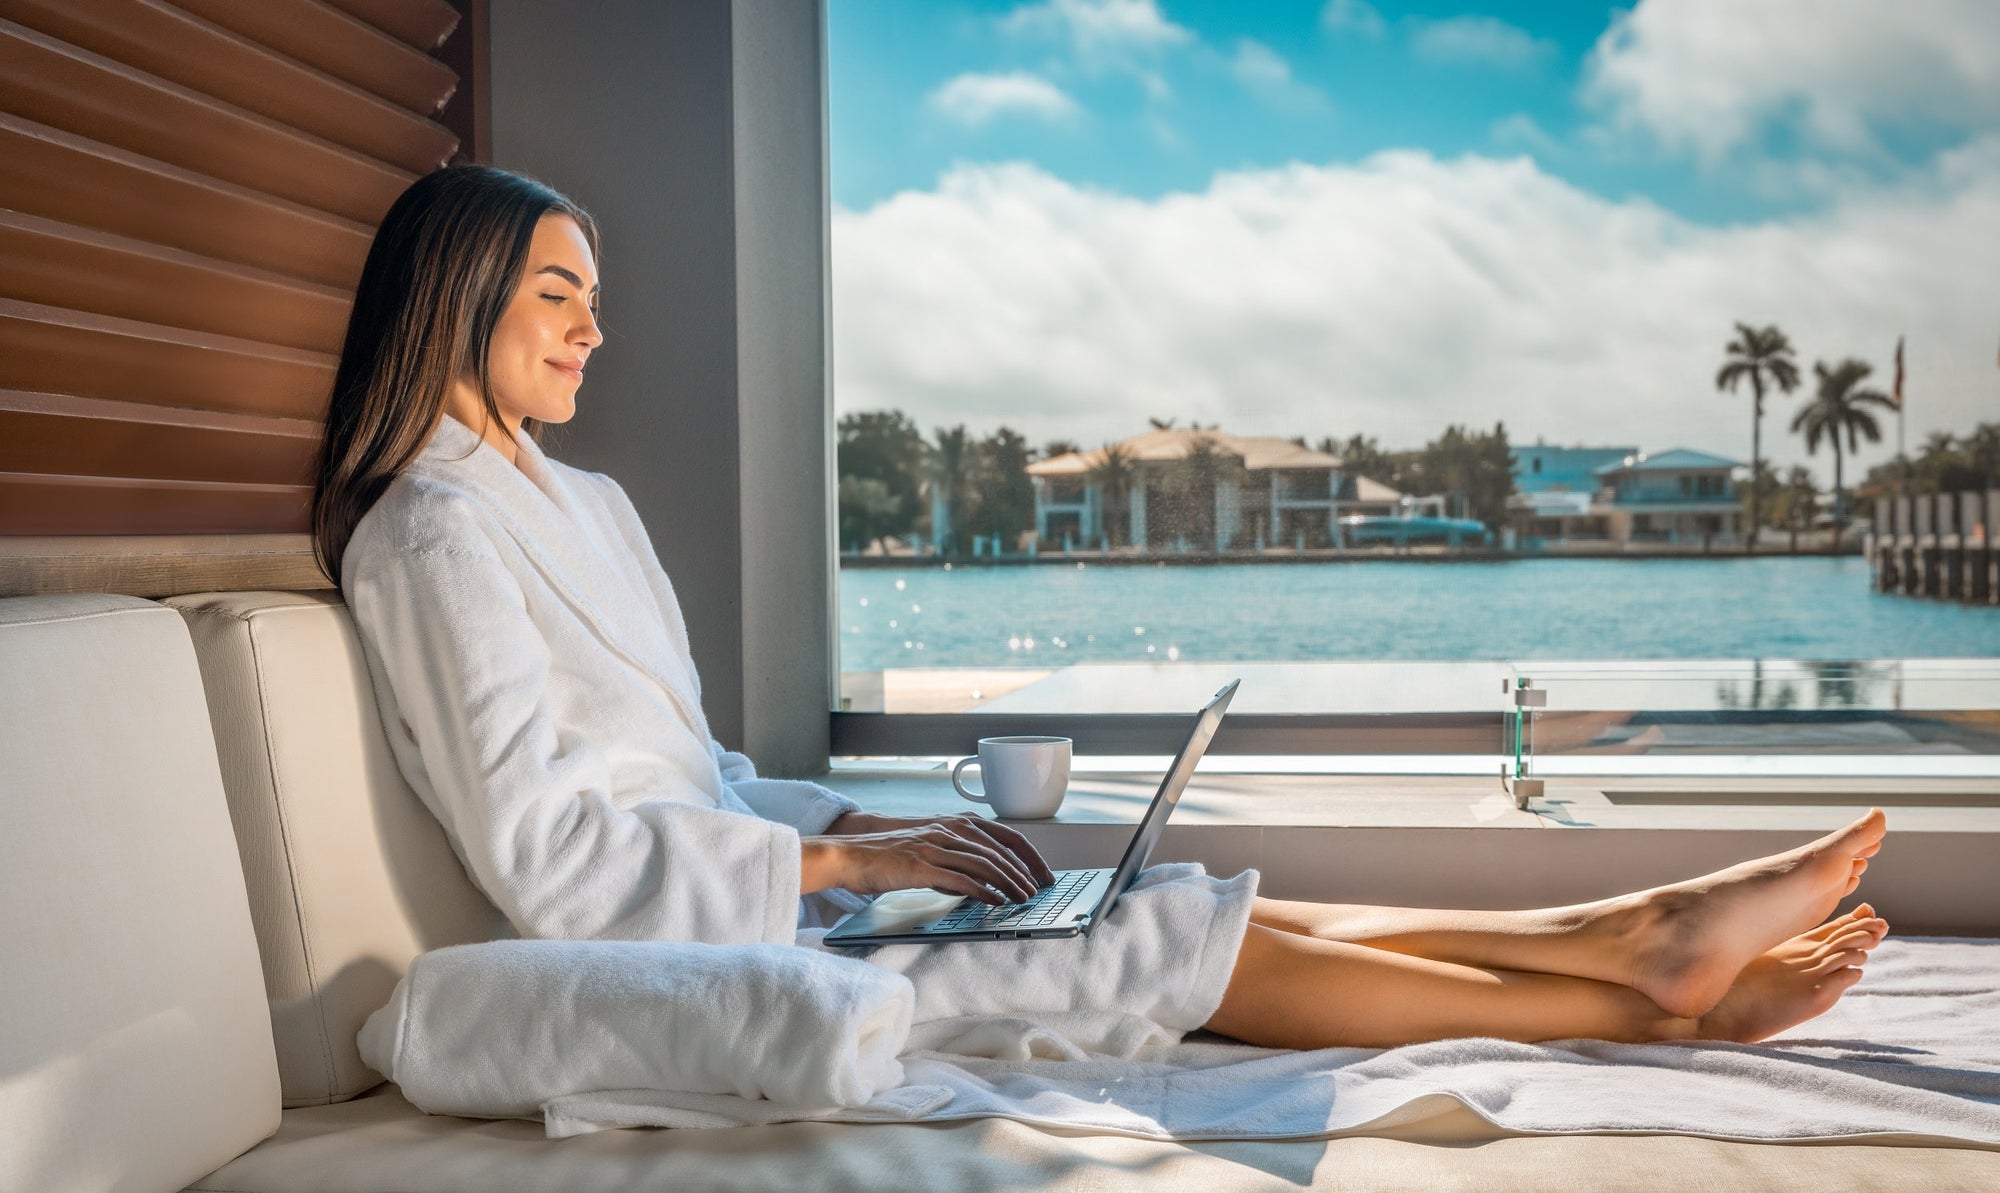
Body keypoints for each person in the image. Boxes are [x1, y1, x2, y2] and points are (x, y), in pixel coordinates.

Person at [316, 165, 1889, 1054]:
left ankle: (1624, 936)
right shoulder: (429, 535)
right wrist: (843, 863)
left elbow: (694, 772)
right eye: (558, 295)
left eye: (596, 295)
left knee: (1144, 889)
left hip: (776, 889)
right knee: (1139, 937)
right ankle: (1640, 993)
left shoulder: (584, 506)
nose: (599, 329)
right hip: (694, 952)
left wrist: (854, 829)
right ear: (456, 295)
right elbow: (548, 857)